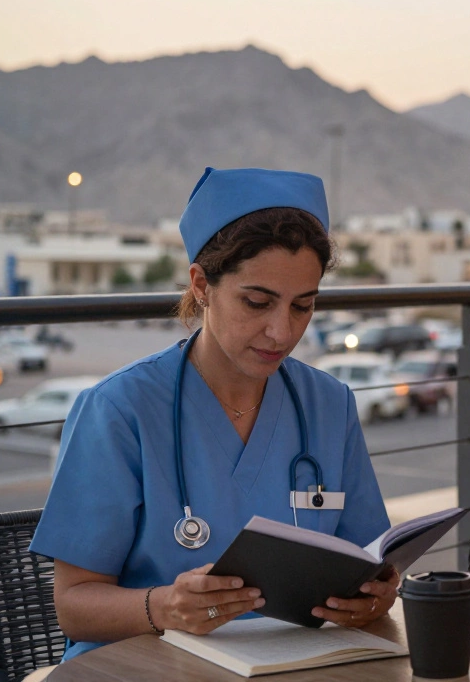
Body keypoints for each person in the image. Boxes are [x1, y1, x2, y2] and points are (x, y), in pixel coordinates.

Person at [30, 168, 395, 660]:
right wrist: (162, 607)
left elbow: (369, 564)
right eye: (257, 302)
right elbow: (73, 606)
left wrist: (374, 599)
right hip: (148, 667)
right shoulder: (121, 410)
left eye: (302, 306)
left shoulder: (329, 405)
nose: (281, 332)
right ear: (201, 284)